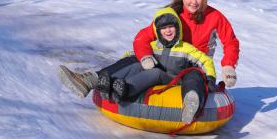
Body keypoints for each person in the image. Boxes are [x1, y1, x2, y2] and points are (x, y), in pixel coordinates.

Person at [58, 7, 216, 124]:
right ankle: (94, 82)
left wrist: (210, 78)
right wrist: (125, 63)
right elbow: (131, 55)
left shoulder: (186, 48)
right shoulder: (153, 46)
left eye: (171, 27)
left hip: (174, 80)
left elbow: (205, 61)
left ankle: (190, 101)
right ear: (157, 30)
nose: (168, 31)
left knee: (164, 73)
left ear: (178, 28)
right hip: (153, 76)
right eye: (163, 28)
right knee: (135, 61)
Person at [133, 0, 240, 116]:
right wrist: (145, 56)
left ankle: (191, 103)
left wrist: (228, 66)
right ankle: (117, 87)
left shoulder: (214, 17)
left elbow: (231, 42)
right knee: (137, 67)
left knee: (194, 78)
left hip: (198, 66)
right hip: (170, 63)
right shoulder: (171, 14)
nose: (194, 2)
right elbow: (143, 37)